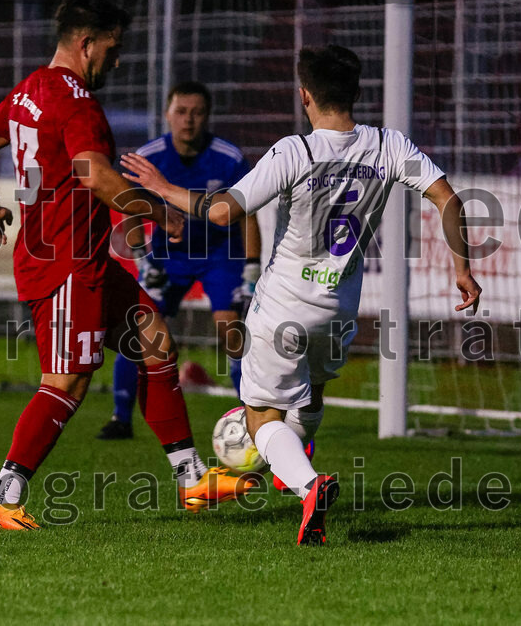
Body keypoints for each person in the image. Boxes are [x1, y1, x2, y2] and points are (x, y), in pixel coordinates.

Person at [121, 44, 482, 545]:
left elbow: (224, 211)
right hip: (340, 310)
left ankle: (307, 483)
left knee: (262, 414)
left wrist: (163, 187)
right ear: (356, 93)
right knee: (310, 395)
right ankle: (282, 464)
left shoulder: (295, 151)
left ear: (304, 95)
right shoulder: (390, 146)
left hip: (283, 307)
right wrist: (462, 268)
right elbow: (448, 199)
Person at [0, 0, 255, 531]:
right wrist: (160, 215)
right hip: (66, 264)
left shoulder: (30, 89)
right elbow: (93, 175)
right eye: (113, 48)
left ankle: (191, 478)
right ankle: (1, 497)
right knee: (67, 382)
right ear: (86, 43)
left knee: (154, 341)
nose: (117, 60)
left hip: (79, 256)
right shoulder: (77, 101)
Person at [97, 81, 261, 440]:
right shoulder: (150, 156)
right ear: (167, 114)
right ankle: (120, 417)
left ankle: (253, 421)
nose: (189, 120)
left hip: (221, 254)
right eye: (181, 112)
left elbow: (247, 212)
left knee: (230, 329)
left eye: (197, 112)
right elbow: (130, 207)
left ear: (208, 116)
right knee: (138, 330)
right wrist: (143, 260)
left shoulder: (229, 157)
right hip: (169, 255)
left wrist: (252, 263)